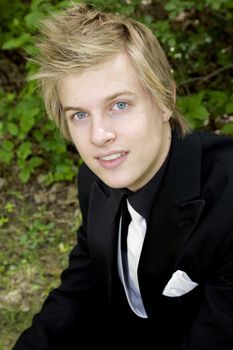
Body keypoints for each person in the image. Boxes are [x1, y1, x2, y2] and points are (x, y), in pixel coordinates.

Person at [13, 3, 233, 349]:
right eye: (80, 115)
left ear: (165, 99)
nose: (99, 135)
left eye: (119, 105)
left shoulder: (227, 199)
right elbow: (80, 289)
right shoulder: (93, 180)